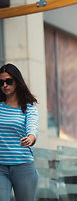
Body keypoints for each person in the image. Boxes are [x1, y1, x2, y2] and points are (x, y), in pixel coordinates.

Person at [0, 63, 39, 201]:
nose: (5, 85)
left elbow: (33, 127)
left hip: (24, 167)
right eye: (2, 82)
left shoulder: (28, 107)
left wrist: (30, 138)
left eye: (9, 81)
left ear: (17, 81)